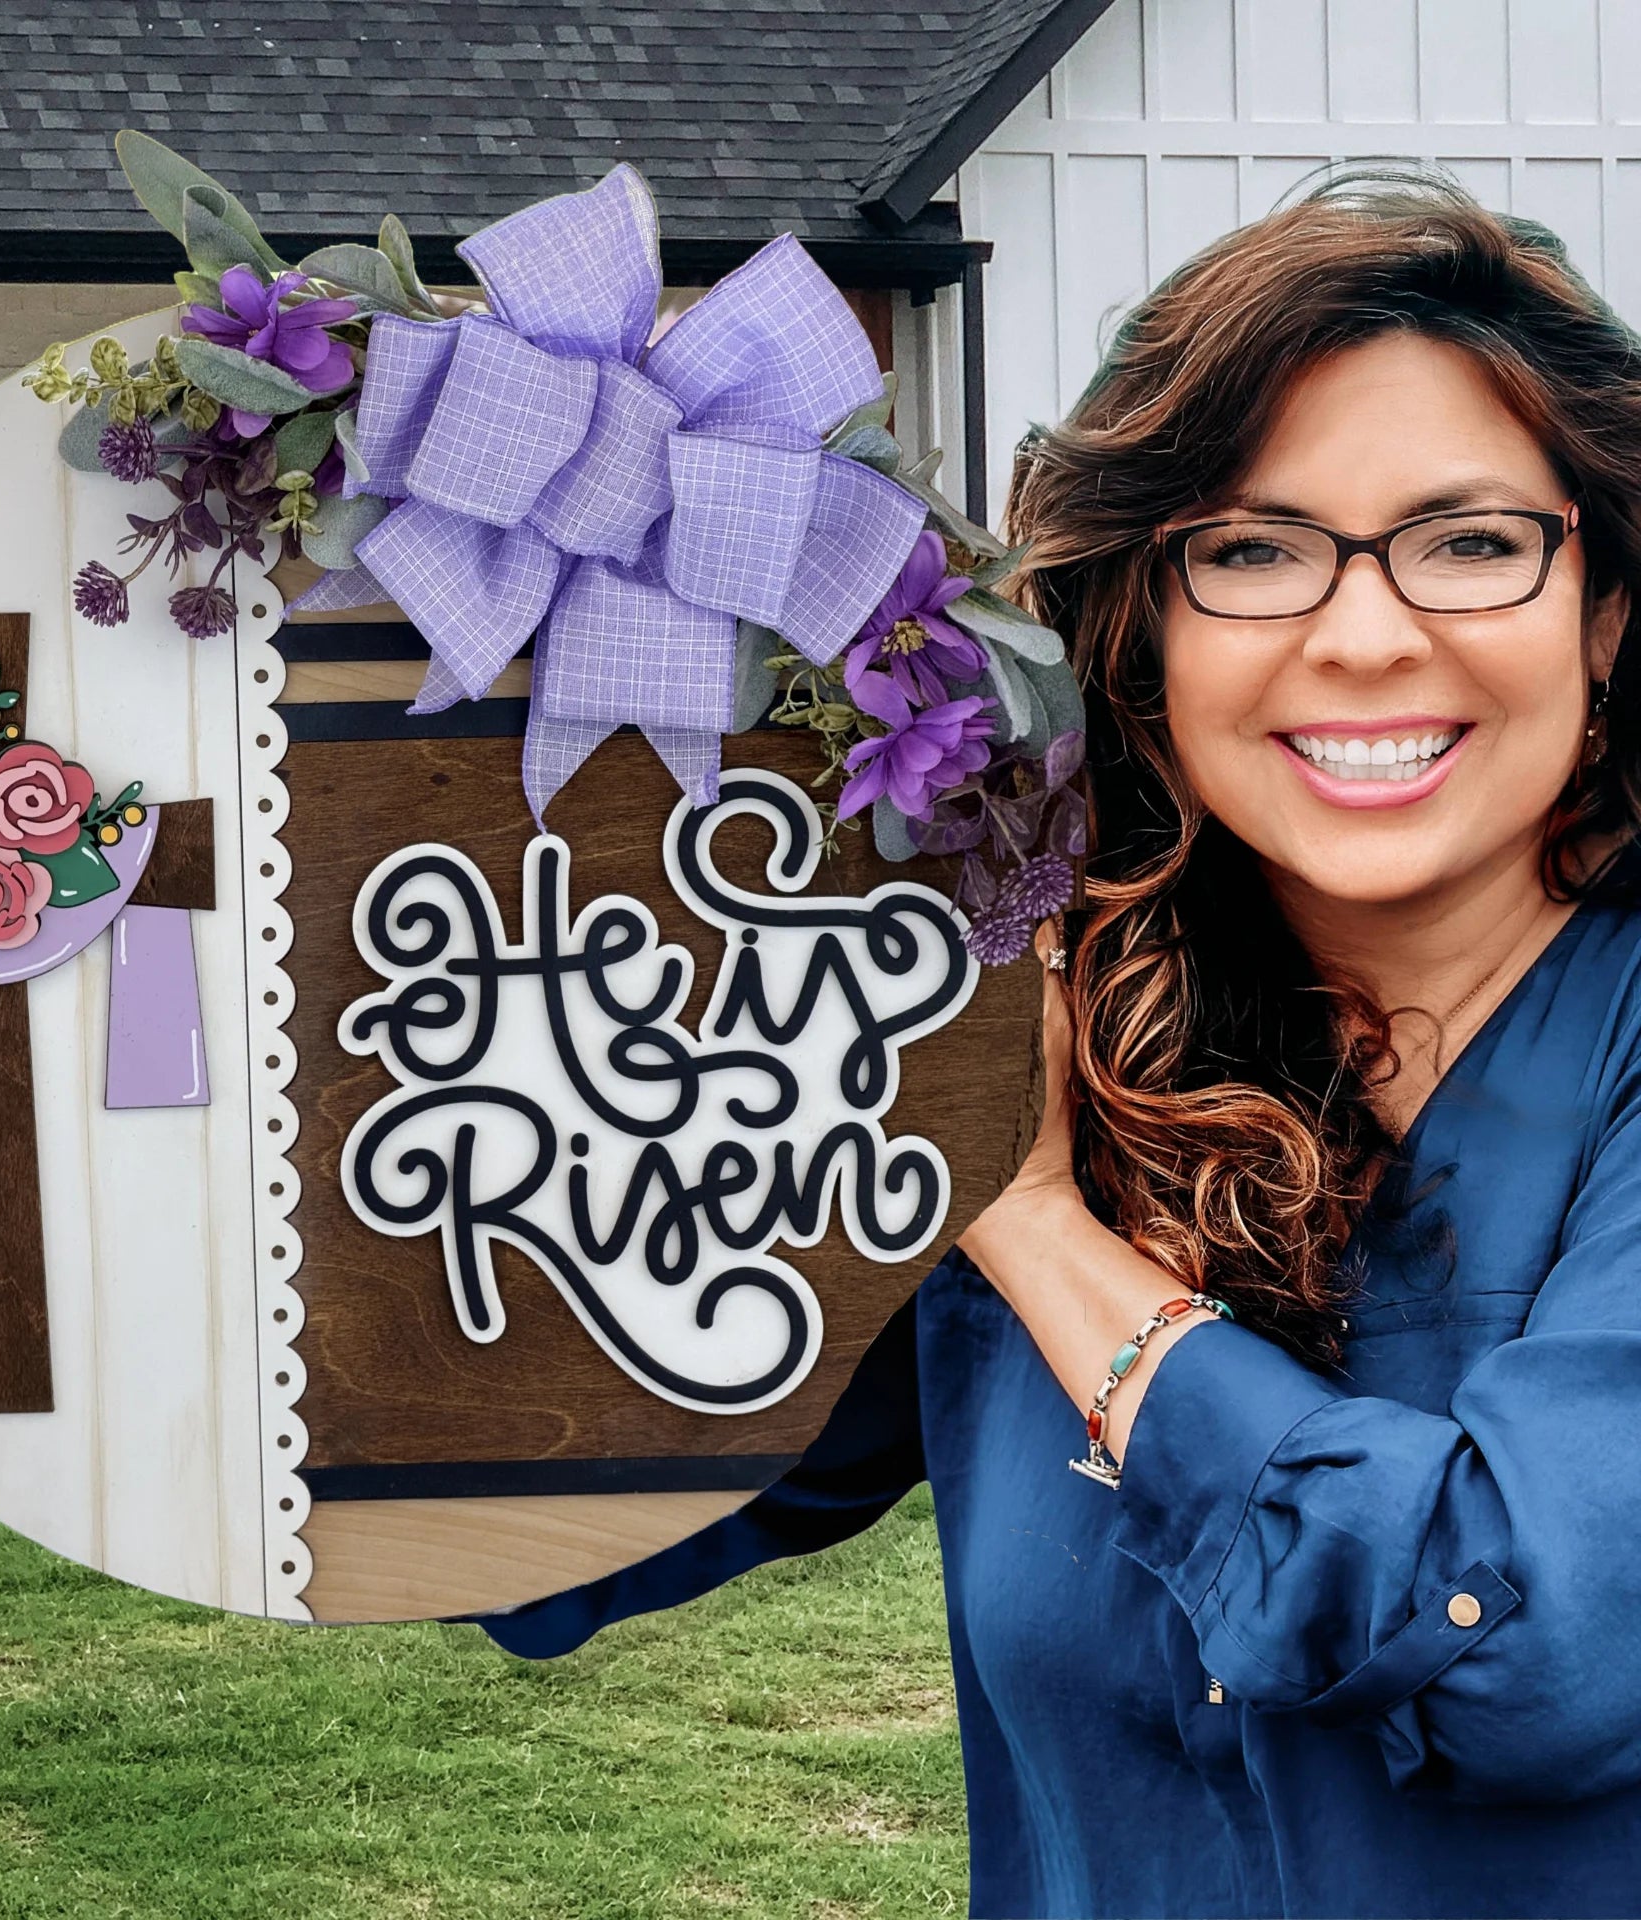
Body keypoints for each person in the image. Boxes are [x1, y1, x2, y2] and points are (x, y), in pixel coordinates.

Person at [481, 168, 1641, 1917]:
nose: (1365, 633)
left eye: (1471, 541)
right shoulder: (1051, 1026)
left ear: (1605, 611)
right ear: (1141, 628)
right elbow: (578, 1503)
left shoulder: (1013, 1132)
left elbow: (1525, 1651)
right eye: (1249, 550)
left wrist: (1031, 1223)